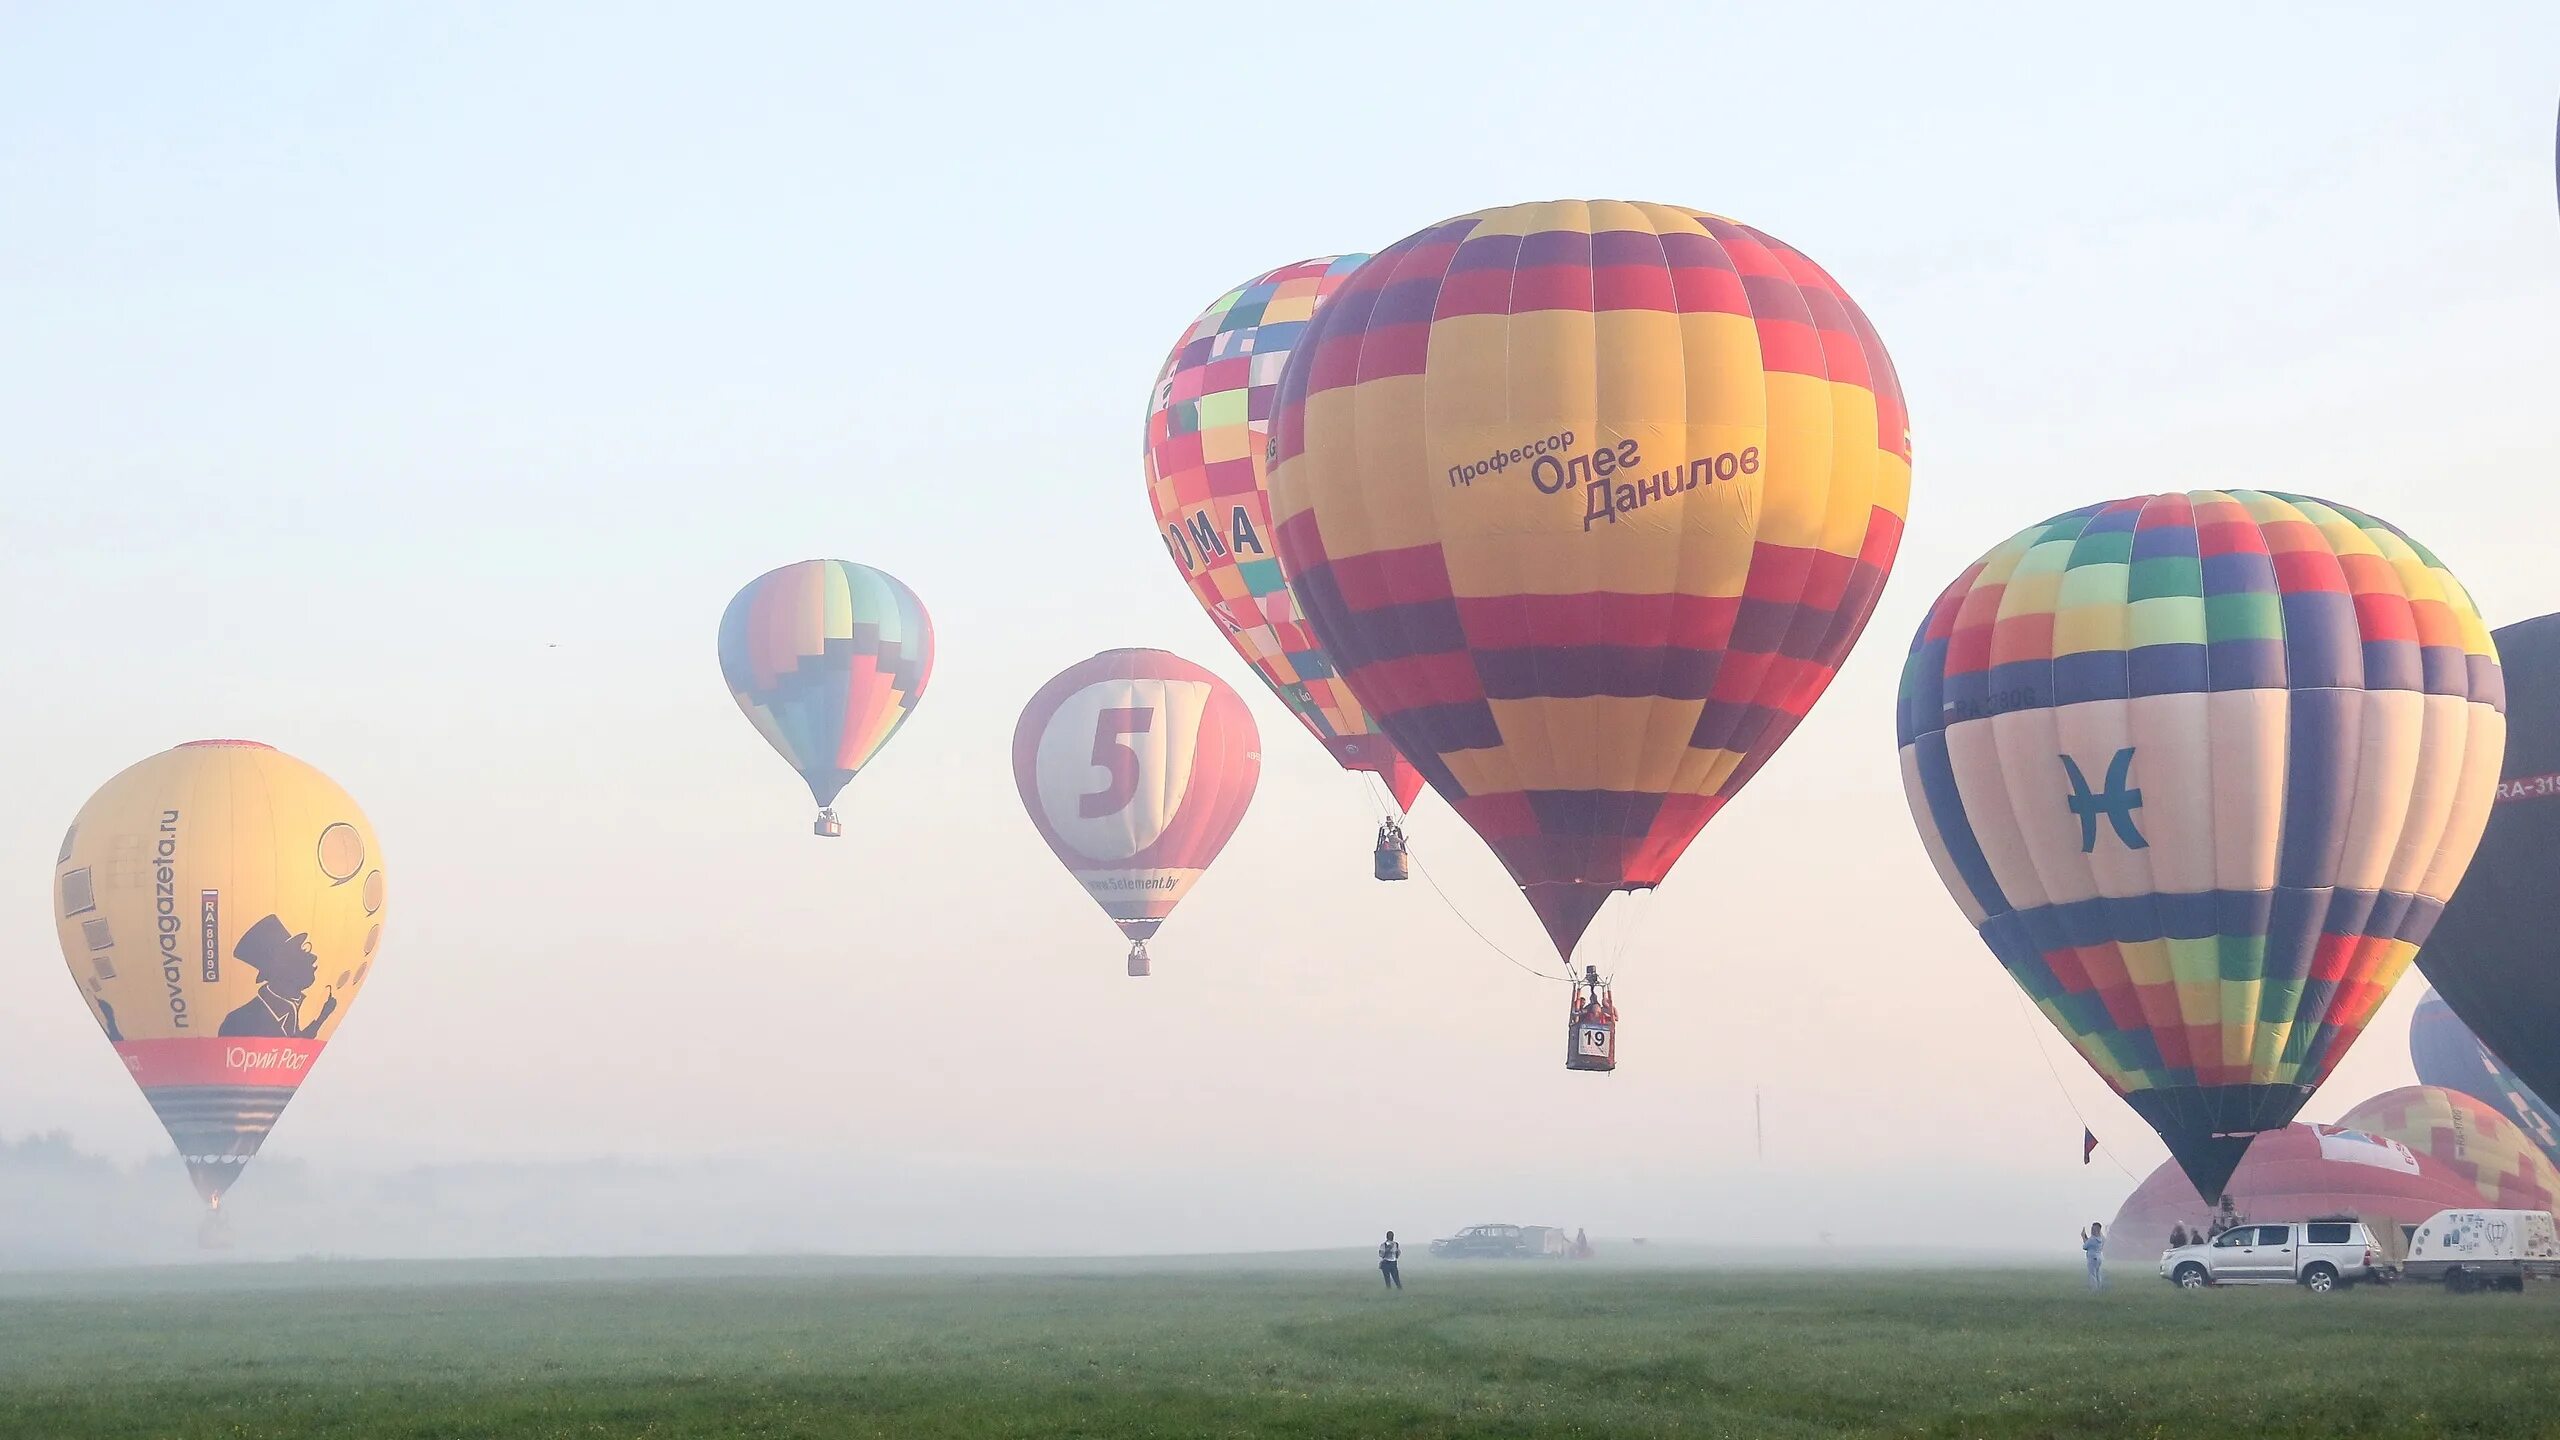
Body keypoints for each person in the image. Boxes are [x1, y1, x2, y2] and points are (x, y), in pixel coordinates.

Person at [2082, 1222, 2107, 1290]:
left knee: (2092, 1274)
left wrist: (2083, 1237)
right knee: (2098, 1273)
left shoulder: (2092, 1239)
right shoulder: (2101, 1238)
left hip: (2092, 1258)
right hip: (2099, 1257)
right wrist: (2086, 1238)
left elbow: (2085, 1246)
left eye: (2093, 1228)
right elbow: (2090, 1243)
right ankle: (2099, 1286)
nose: (2092, 1230)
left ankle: (2094, 1289)